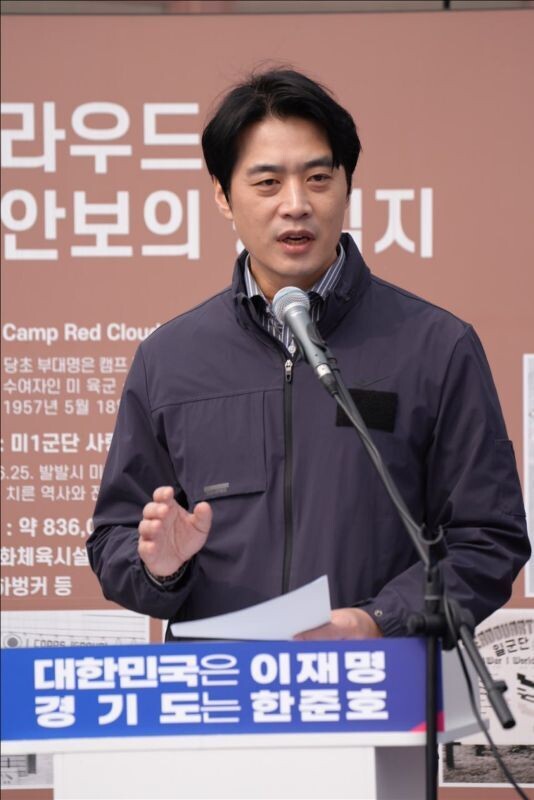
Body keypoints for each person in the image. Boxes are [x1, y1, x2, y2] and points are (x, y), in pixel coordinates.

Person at [87, 69, 530, 642]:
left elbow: (486, 539)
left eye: (318, 178)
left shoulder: (435, 346)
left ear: (347, 185)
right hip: (220, 684)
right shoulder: (169, 359)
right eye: (267, 183)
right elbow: (115, 537)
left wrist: (378, 622)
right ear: (223, 195)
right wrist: (159, 566)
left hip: (377, 680)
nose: (296, 205)